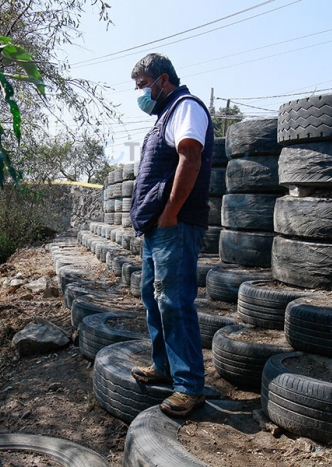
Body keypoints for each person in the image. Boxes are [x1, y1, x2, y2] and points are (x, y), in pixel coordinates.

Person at [128, 53, 214, 417]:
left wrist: (170, 213)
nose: (140, 93)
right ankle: (164, 366)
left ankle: (190, 386)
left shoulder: (186, 107)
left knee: (174, 302)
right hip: (158, 227)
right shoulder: (164, 115)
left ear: (163, 80)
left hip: (175, 225)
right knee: (153, 297)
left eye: (143, 85)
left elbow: (189, 160)